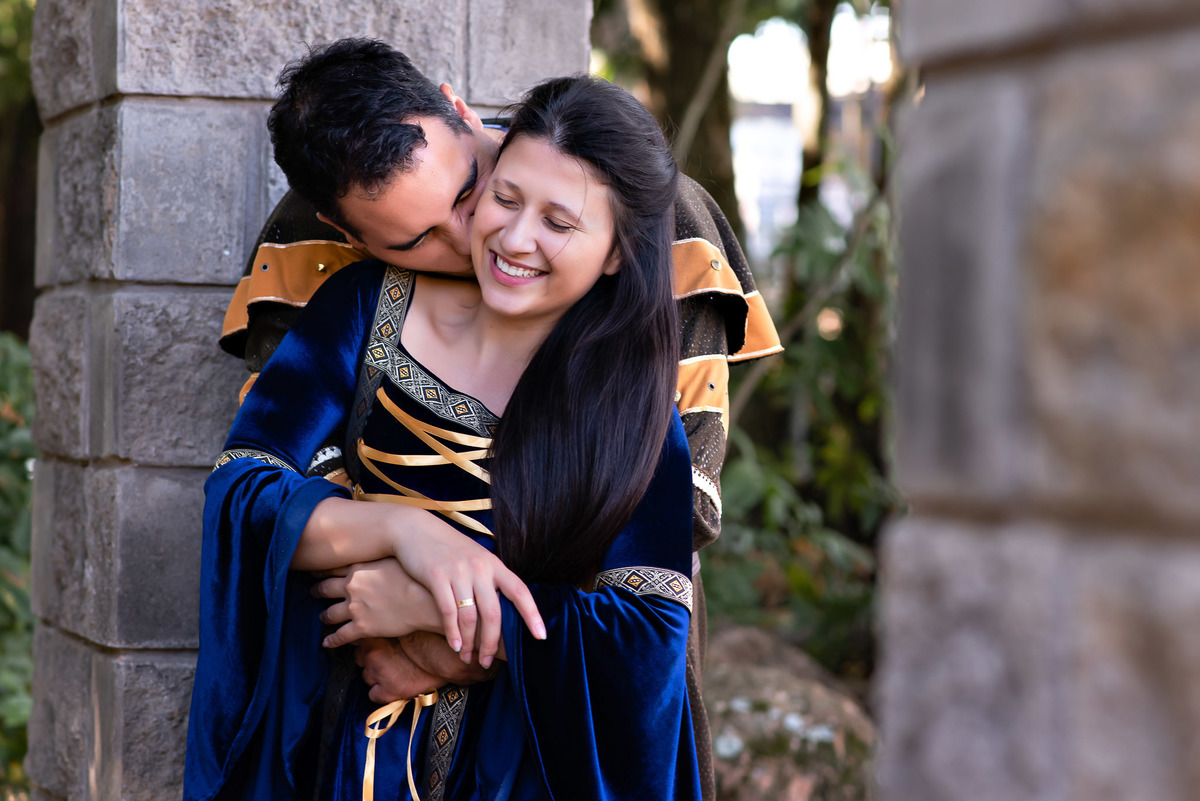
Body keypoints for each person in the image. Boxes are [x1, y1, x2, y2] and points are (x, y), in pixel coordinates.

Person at [217, 38, 782, 801]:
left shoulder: (653, 257)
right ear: (349, 232)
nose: (483, 242)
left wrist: (447, 636)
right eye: (414, 241)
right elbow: (267, 490)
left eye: (469, 195)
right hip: (361, 735)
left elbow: (659, 575)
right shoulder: (349, 286)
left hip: (544, 748)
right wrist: (410, 534)